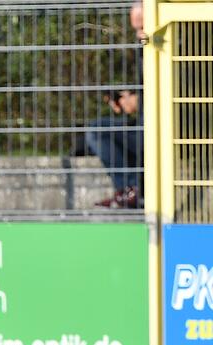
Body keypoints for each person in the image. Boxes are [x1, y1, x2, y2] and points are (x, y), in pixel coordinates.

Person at [87, 1, 145, 209]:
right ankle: (128, 190)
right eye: (135, 28)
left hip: (155, 132)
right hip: (141, 125)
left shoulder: (168, 47)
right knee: (99, 128)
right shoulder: (143, 48)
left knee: (97, 130)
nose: (138, 33)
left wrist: (135, 100)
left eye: (142, 27)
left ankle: (129, 190)